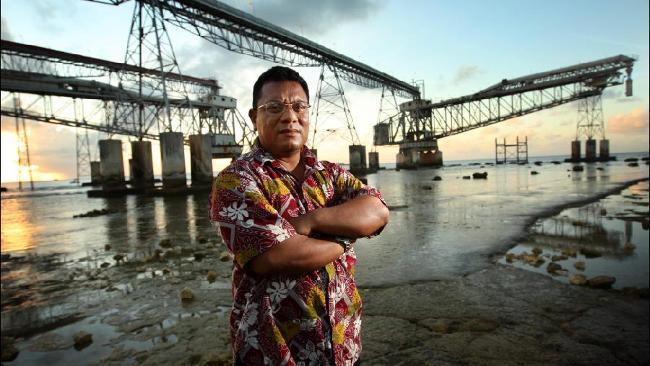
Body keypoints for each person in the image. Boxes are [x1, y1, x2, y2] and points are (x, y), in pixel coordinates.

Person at [209, 66, 389, 366]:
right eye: (274, 107)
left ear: (308, 113)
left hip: (344, 347)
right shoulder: (237, 180)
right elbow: (278, 255)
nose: (289, 116)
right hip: (275, 354)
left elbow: (378, 211)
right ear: (255, 118)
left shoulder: (330, 174)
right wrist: (347, 236)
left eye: (298, 106)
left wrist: (312, 222)